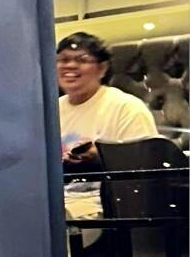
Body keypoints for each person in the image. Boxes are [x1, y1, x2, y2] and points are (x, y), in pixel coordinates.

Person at [56, 31, 155, 163]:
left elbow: (144, 165)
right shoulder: (50, 110)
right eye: (63, 60)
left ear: (102, 68)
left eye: (82, 60)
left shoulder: (127, 108)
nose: (70, 66)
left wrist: (101, 158)